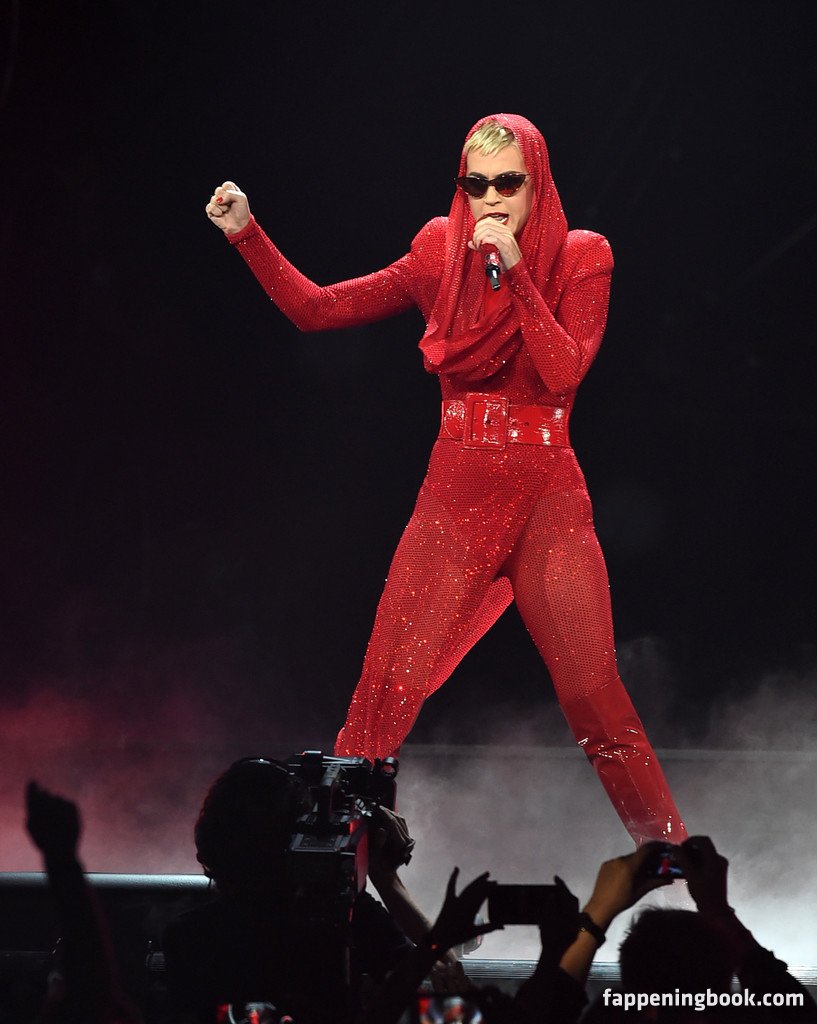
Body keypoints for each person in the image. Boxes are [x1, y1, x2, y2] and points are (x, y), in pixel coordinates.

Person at [205, 112, 685, 844]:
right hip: (455, 501)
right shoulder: (438, 250)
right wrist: (247, 234)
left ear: (537, 184)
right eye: (476, 184)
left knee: (596, 698)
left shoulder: (582, 256)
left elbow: (563, 371)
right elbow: (318, 309)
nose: (491, 199)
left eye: (507, 183)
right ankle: (333, 872)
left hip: (548, 501)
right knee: (384, 693)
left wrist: (517, 276)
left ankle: (674, 863)